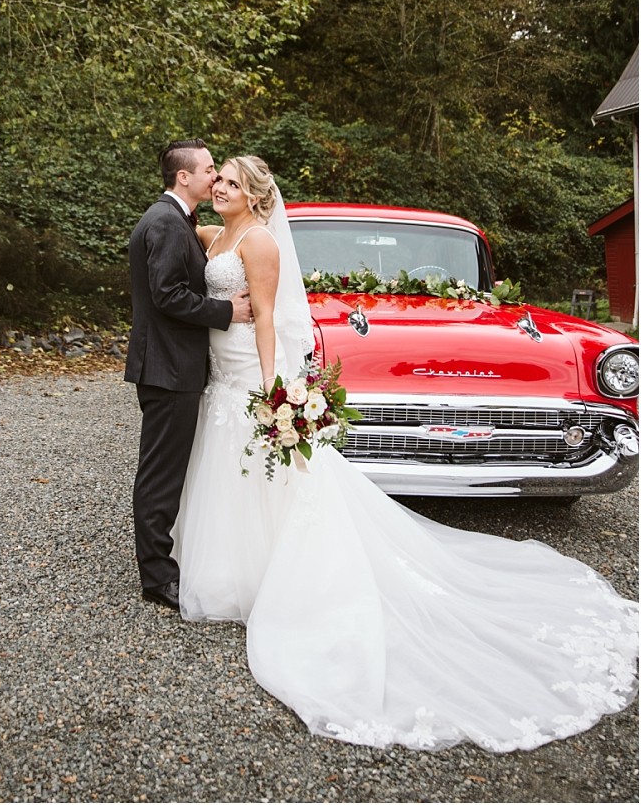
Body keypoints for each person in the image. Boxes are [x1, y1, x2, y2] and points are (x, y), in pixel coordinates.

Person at [172, 155, 638, 752]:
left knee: (275, 478)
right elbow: (184, 235)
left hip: (246, 372)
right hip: (223, 372)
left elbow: (266, 316)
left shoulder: (259, 241)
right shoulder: (219, 231)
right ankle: (238, 568)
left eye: (233, 182)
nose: (221, 188)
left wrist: (273, 387)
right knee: (238, 472)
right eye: (219, 180)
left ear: (257, 196)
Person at [125, 139, 253, 611]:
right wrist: (226, 311)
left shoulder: (178, 221)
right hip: (168, 366)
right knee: (161, 471)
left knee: (167, 466)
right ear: (185, 177)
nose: (215, 177)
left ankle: (161, 558)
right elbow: (167, 296)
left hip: (170, 364)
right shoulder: (165, 222)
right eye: (209, 170)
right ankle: (157, 576)